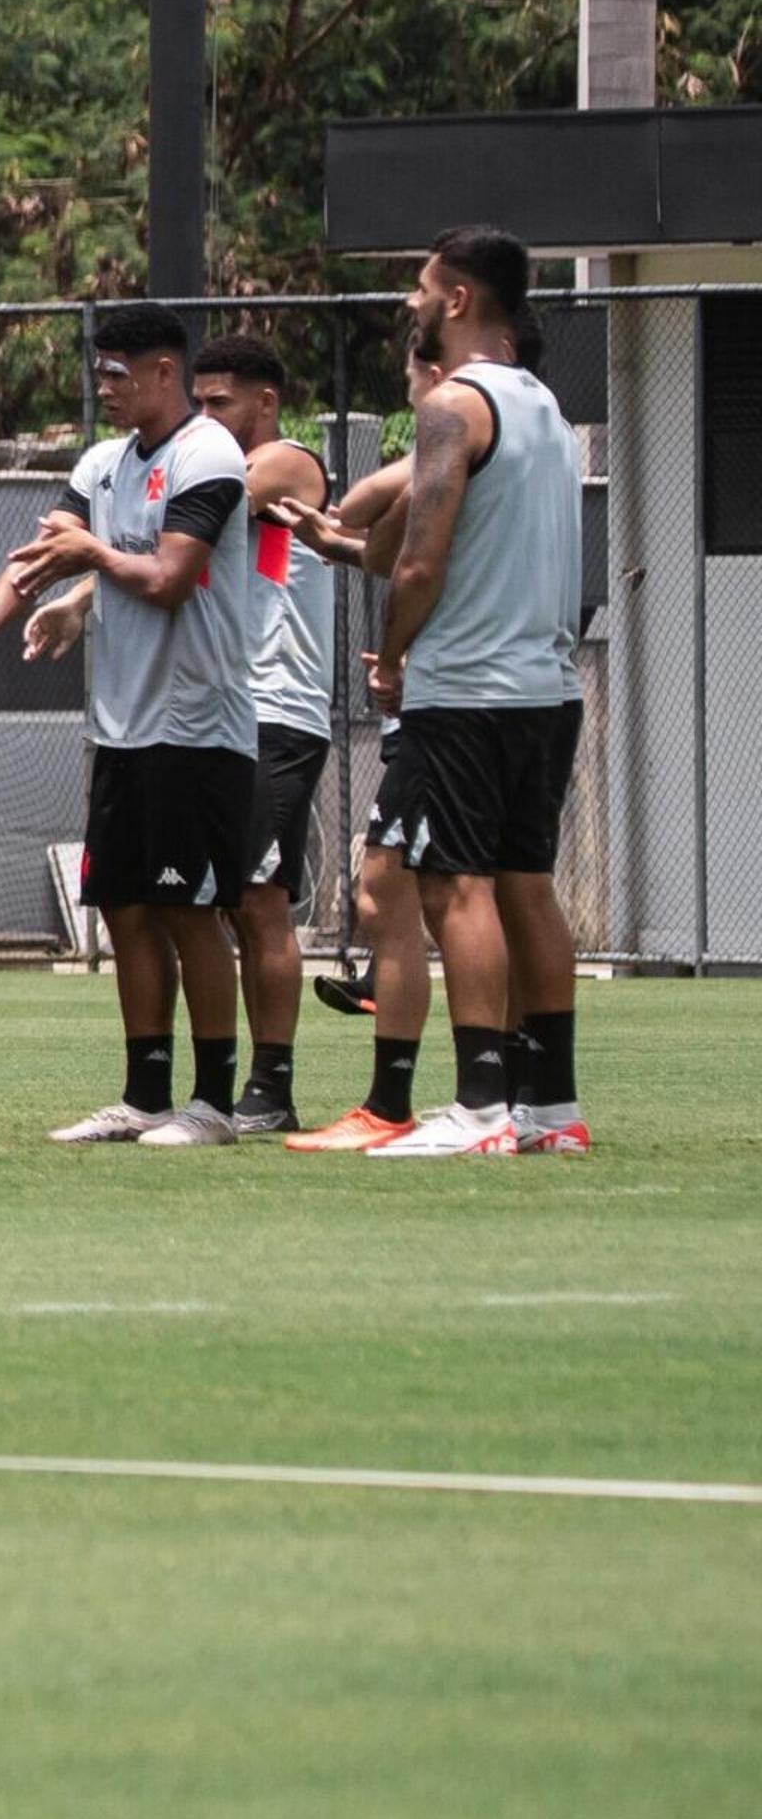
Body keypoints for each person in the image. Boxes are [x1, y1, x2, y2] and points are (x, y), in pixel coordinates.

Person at [0, 303, 261, 1147]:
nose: (103, 386)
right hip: (122, 727)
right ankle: (145, 1093)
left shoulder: (209, 454)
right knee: (123, 905)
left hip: (197, 725)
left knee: (191, 912)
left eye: (118, 372)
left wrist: (92, 565)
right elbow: (35, 564)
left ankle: (215, 1103)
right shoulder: (102, 463)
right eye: (99, 370)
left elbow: (170, 576)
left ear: (165, 372)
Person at [25, 332, 335, 1134]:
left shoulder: (275, 461)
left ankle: (263, 1086)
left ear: (265, 403)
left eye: (221, 400)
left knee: (253, 898)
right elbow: (145, 540)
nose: (207, 413)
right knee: (149, 901)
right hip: (196, 706)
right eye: (200, 398)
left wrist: (91, 565)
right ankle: (155, 1091)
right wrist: (81, 596)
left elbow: (166, 538)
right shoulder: (172, 461)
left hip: (271, 706)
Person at [363, 228, 588, 1156]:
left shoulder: (454, 403)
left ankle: (481, 1107)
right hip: (547, 686)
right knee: (529, 887)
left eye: (423, 288)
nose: (414, 303)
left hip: (468, 687)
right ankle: (551, 1110)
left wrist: (389, 655)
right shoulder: (542, 401)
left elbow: (418, 560)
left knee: (458, 885)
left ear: (456, 300)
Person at [266, 362, 443, 1151]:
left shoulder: (467, 421)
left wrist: (397, 653)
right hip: (453, 697)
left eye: (413, 365)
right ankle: (515, 1096)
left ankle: (414, 1103)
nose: (404, 378)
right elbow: (372, 541)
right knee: (459, 895)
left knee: (395, 890)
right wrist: (329, 540)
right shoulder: (489, 435)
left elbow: (370, 513)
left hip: (458, 699)